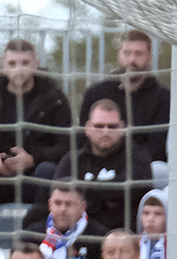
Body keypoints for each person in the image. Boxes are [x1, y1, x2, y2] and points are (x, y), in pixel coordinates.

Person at [0, 38, 72, 231]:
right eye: (12, 63)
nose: (19, 69)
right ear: (2, 65)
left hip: (34, 177)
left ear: (36, 63)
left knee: (48, 171)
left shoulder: (54, 97)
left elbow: (66, 145)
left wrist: (32, 159)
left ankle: (40, 240)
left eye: (25, 63)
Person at [78, 30, 170, 181]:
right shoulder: (95, 93)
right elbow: (82, 138)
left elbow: (157, 148)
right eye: (127, 53)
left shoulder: (163, 98)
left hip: (139, 170)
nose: (132, 59)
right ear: (119, 56)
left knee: (159, 170)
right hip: (96, 165)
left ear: (149, 57)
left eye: (139, 54)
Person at [52, 100, 152, 234]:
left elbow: (135, 189)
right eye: (99, 126)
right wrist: (109, 197)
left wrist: (86, 191)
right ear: (87, 128)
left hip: (123, 238)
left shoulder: (137, 158)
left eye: (112, 127)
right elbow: (59, 195)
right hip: (78, 234)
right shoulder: (72, 161)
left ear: (122, 128)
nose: (106, 132)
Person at [23, 182, 107, 259]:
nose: (62, 209)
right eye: (57, 203)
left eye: (69, 204)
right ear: (49, 205)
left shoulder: (99, 236)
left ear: (83, 207)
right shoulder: (32, 234)